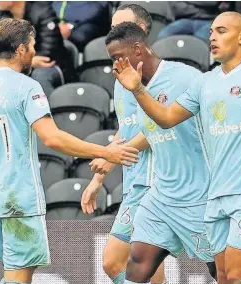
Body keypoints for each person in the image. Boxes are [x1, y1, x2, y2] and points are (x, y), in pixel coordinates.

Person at [0, 18, 139, 284]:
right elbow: (52, 138)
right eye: (32, 45)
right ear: (20, 50)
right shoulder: (26, 86)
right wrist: (106, 152)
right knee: (19, 278)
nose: (34, 51)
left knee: (12, 275)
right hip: (16, 199)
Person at [112, 12, 241, 283]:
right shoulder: (204, 82)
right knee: (224, 277)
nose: (213, 38)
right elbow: (166, 118)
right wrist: (138, 90)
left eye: (221, 31)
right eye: (210, 33)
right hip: (215, 193)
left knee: (237, 276)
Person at [86, 22, 218, 284]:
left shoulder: (184, 78)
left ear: (137, 49)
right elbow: (143, 131)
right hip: (159, 197)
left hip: (198, 195)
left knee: (226, 274)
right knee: (135, 267)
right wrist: (109, 159)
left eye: (117, 58)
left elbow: (223, 113)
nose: (114, 66)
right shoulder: (130, 86)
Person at [80, 5, 167, 284]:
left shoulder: (157, 75)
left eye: (122, 27)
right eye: (112, 27)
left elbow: (158, 127)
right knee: (149, 271)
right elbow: (126, 130)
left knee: (115, 260)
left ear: (139, 34)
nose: (114, 33)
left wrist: (116, 155)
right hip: (136, 181)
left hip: (155, 182)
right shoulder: (121, 78)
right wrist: (97, 179)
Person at [0, 1, 72, 95]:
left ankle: (48, 109)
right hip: (19, 66)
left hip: (52, 66)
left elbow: (48, 51)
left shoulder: (43, 10)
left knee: (40, 76)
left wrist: (14, 62)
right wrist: (26, 62)